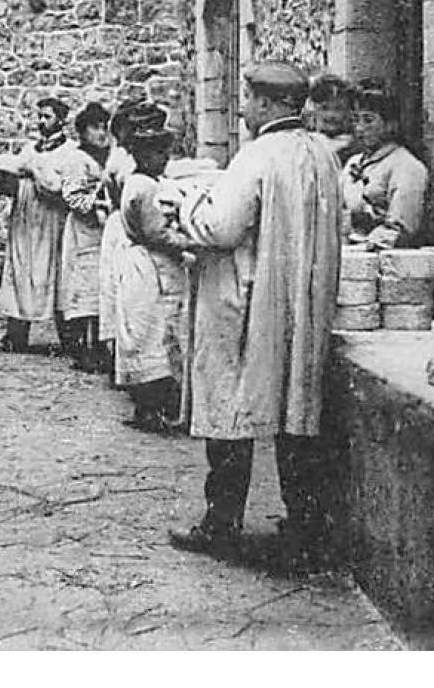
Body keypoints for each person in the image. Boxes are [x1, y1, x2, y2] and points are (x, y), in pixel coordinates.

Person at [170, 61, 344, 574]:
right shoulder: (323, 154)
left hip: (248, 304)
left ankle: (221, 524)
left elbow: (222, 228)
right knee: (295, 414)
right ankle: (306, 526)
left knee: (229, 410)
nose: (242, 108)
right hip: (303, 304)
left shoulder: (257, 156)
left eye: (246, 100)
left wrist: (189, 207)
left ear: (267, 105)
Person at [115, 107, 189, 433]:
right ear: (141, 155)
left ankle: (156, 405)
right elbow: (156, 233)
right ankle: (151, 406)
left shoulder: (148, 182)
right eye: (156, 153)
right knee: (152, 334)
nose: (163, 159)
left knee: (153, 333)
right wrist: (189, 242)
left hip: (147, 263)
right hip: (149, 267)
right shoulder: (142, 187)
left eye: (164, 152)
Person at [0, 98, 70, 353]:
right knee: (19, 271)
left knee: (54, 273)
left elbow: (60, 189)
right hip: (24, 219)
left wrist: (35, 172)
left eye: (46, 117)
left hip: (50, 220)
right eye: (39, 116)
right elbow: (14, 179)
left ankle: (69, 339)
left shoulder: (69, 153)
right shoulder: (29, 149)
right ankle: (15, 336)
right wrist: (4, 180)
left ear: (61, 120)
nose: (40, 122)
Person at [52, 102, 112, 367]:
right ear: (82, 132)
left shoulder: (108, 157)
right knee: (83, 289)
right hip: (83, 231)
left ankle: (100, 347)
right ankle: (82, 349)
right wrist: (98, 199)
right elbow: (72, 197)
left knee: (101, 288)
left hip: (103, 232)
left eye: (104, 127)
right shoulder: (77, 160)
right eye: (94, 128)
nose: (101, 133)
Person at [343, 79, 428, 250]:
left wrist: (361, 247)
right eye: (355, 120)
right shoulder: (353, 163)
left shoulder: (407, 167)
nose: (359, 128)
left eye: (368, 120)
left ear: (390, 124)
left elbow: (400, 230)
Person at [98, 104, 144, 384]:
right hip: (121, 225)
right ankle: (117, 358)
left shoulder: (129, 156)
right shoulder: (120, 158)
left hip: (124, 223)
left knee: (128, 295)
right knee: (117, 291)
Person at [304, 71, 360, 164]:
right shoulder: (304, 145)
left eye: (338, 108)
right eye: (324, 108)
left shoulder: (357, 152)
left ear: (350, 111)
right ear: (313, 109)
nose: (331, 115)